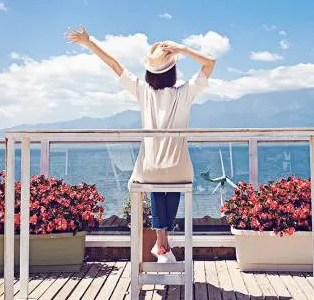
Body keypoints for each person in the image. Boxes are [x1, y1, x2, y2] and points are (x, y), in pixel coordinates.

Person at [65, 25, 215, 263]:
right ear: (173, 71)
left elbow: (114, 65)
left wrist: (88, 41)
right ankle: (163, 243)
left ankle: (161, 242)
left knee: (153, 179)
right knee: (173, 180)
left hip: (150, 170)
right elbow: (210, 63)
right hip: (179, 170)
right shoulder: (184, 93)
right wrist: (182, 49)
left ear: (149, 73)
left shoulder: (143, 92)